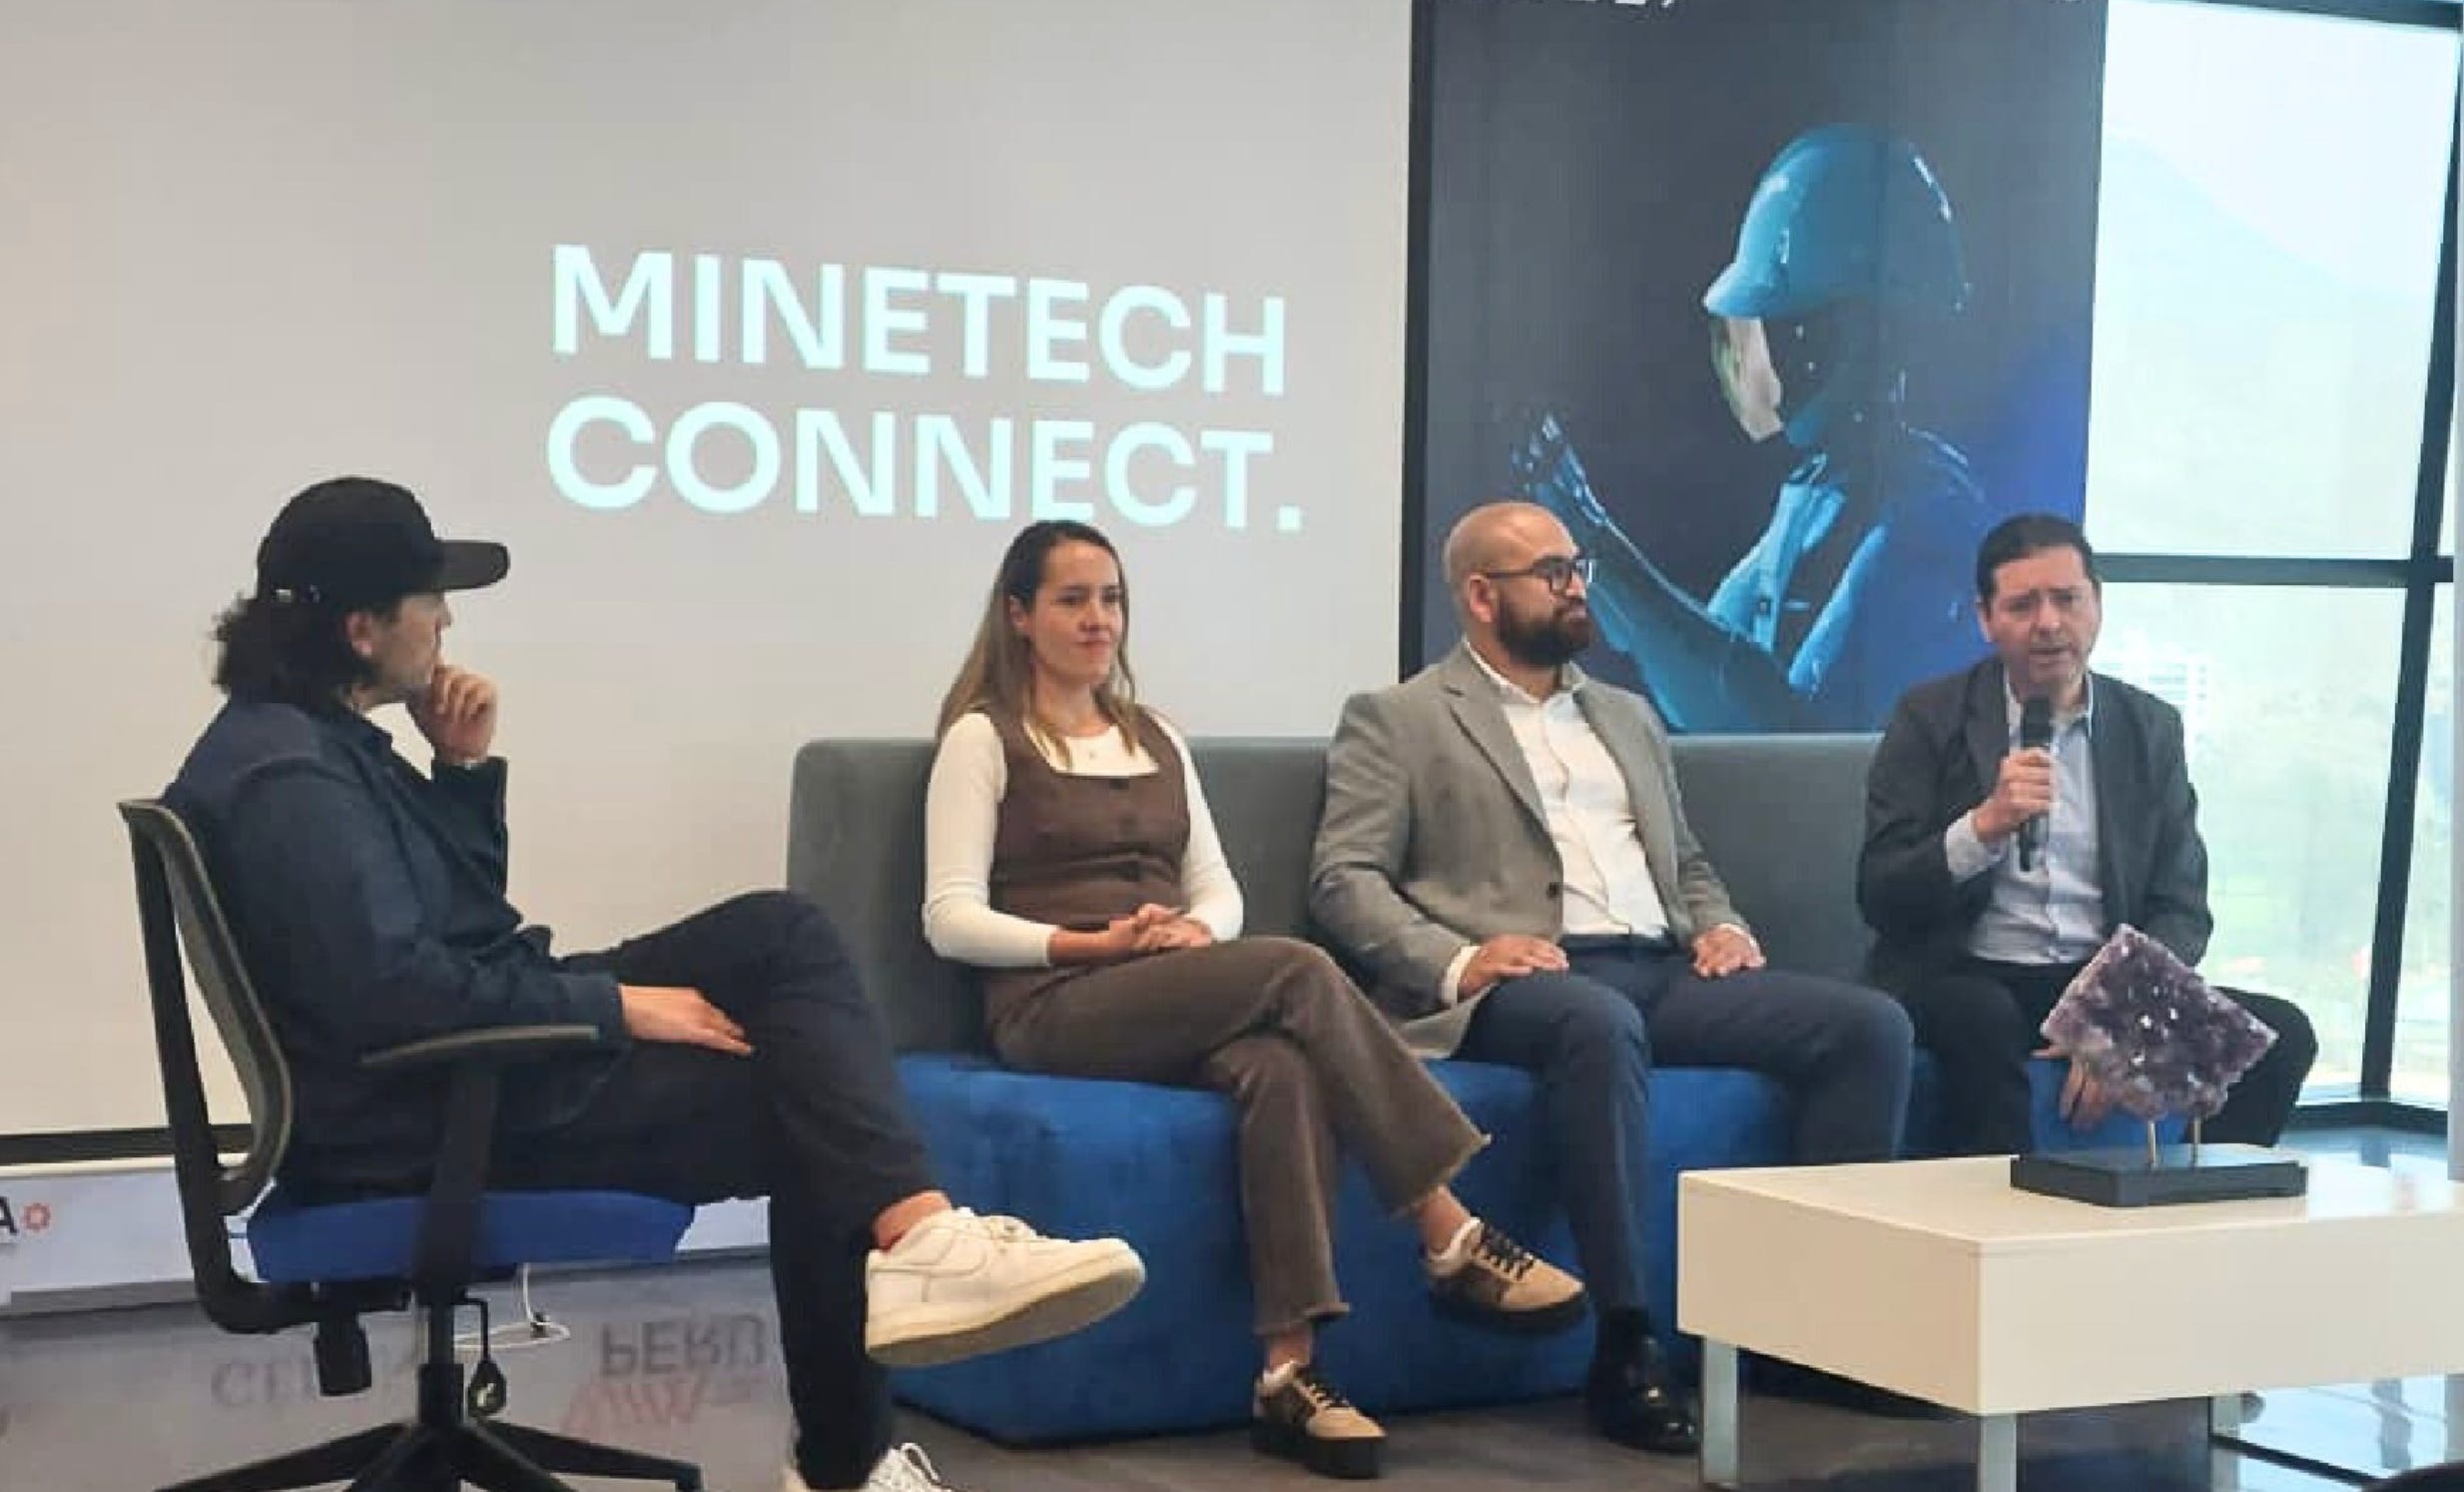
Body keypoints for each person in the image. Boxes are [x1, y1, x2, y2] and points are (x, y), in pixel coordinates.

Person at [166, 476, 1149, 1492]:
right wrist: (618, 1007)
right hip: (423, 1118)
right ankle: (850, 1452)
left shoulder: (306, 744)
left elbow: (458, 930)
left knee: (780, 933)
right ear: (364, 629)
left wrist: (458, 771)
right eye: (431, 598)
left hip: (444, 1075)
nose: (448, 620)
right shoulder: (293, 782)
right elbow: (399, 994)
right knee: (804, 1105)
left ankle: (919, 1239)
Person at [922, 518, 1585, 1481]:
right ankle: (1448, 1228)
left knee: (1281, 1065)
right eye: (1072, 601)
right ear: (1019, 616)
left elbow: (1217, 888)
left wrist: (1196, 933)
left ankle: (1286, 1374)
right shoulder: (984, 738)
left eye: (1111, 599)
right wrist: (1091, 944)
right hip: (1052, 1001)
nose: (1099, 619)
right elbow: (949, 919)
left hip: (1161, 983)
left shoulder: (1155, 736)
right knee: (1298, 970)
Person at [1309, 500, 1913, 1455]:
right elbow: (1344, 880)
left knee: (1869, 1028)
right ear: (1480, 596)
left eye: (1576, 566)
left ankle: (1818, 1337)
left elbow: (1688, 864)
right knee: (1595, 1024)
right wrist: (1460, 959)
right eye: (1551, 572)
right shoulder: (1400, 718)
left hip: (1664, 966)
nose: (1576, 587)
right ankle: (1626, 1345)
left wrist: (1720, 927)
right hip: (1522, 980)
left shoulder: (1627, 715)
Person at [1858, 512, 2317, 1155]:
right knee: (1981, 1020)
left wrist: (2117, 1014)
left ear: (2097, 604)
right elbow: (1881, 894)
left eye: (2066, 599)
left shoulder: (2149, 727)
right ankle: (2002, 1207)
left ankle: (2197, 1204)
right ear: (1986, 619)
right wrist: (1982, 828)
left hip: (2098, 976)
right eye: (2022, 605)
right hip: (1966, 972)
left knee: (2282, 1035)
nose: (2048, 623)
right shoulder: (1929, 717)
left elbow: (2182, 906)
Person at [1516, 123, 1990, 732]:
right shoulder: (1820, 495)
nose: (1761, 357)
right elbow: (1705, 663)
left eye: (1787, 329)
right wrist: (1585, 546)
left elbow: (1786, 733)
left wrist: (1596, 541)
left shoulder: (1924, 521)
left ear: (1863, 334)